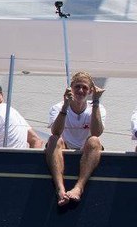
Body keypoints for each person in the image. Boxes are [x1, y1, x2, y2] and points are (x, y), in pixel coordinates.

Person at [44, 71, 105, 206]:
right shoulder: (58, 107)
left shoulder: (97, 107)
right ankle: (60, 188)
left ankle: (79, 187)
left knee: (94, 140)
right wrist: (65, 106)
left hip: (86, 150)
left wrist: (95, 101)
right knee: (54, 139)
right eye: (77, 87)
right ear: (71, 88)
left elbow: (96, 132)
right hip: (64, 147)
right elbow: (56, 131)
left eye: (84, 87)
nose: (80, 90)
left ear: (90, 91)